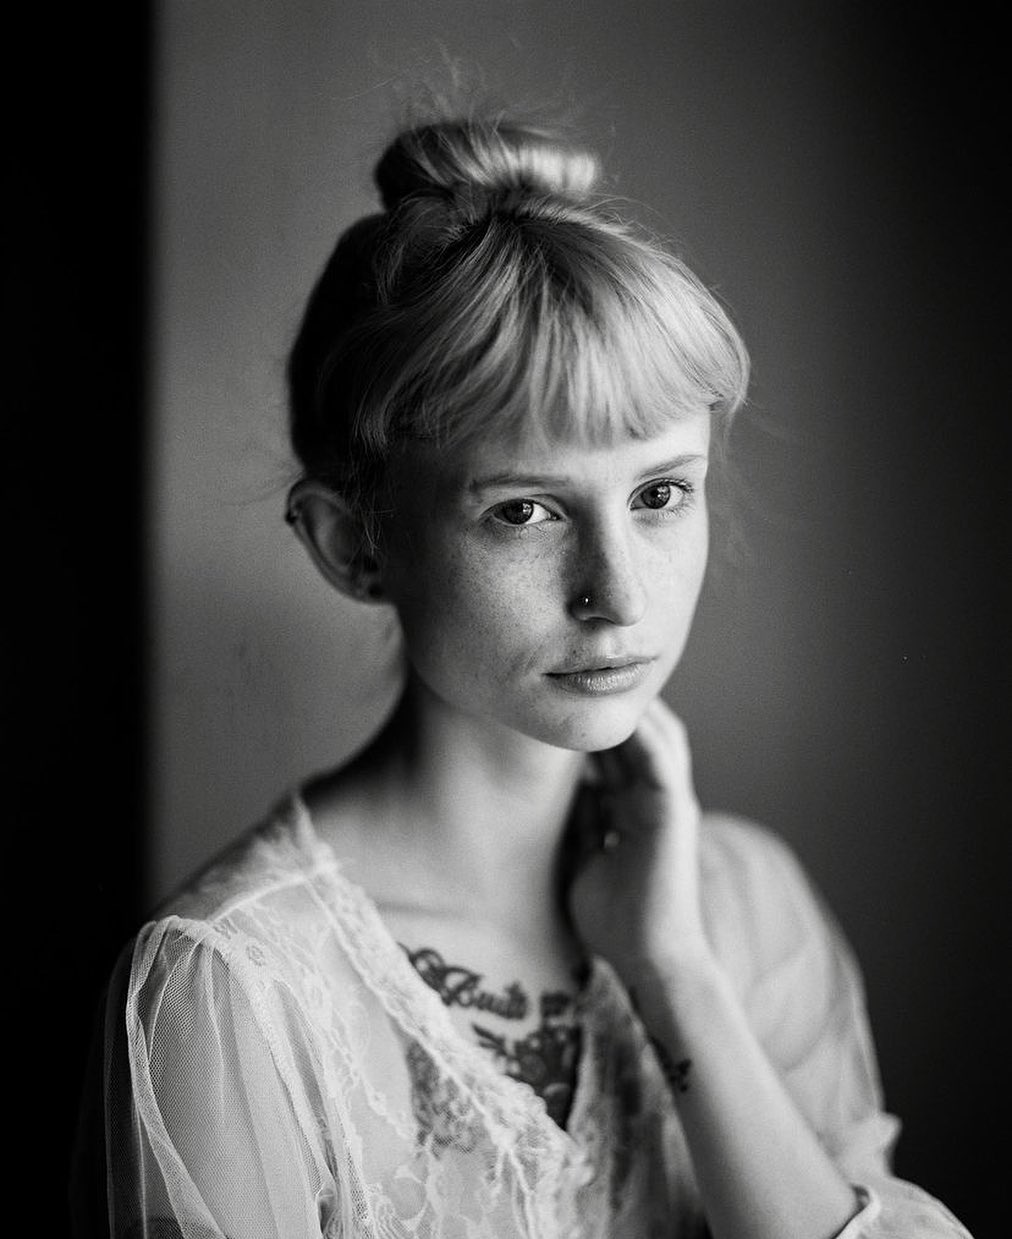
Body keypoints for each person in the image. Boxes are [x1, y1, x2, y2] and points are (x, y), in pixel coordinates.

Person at [73, 116, 973, 1238]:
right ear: (354, 545)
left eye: (659, 495)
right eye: (526, 511)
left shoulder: (749, 907)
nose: (619, 595)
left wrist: (676, 977)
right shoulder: (234, 990)